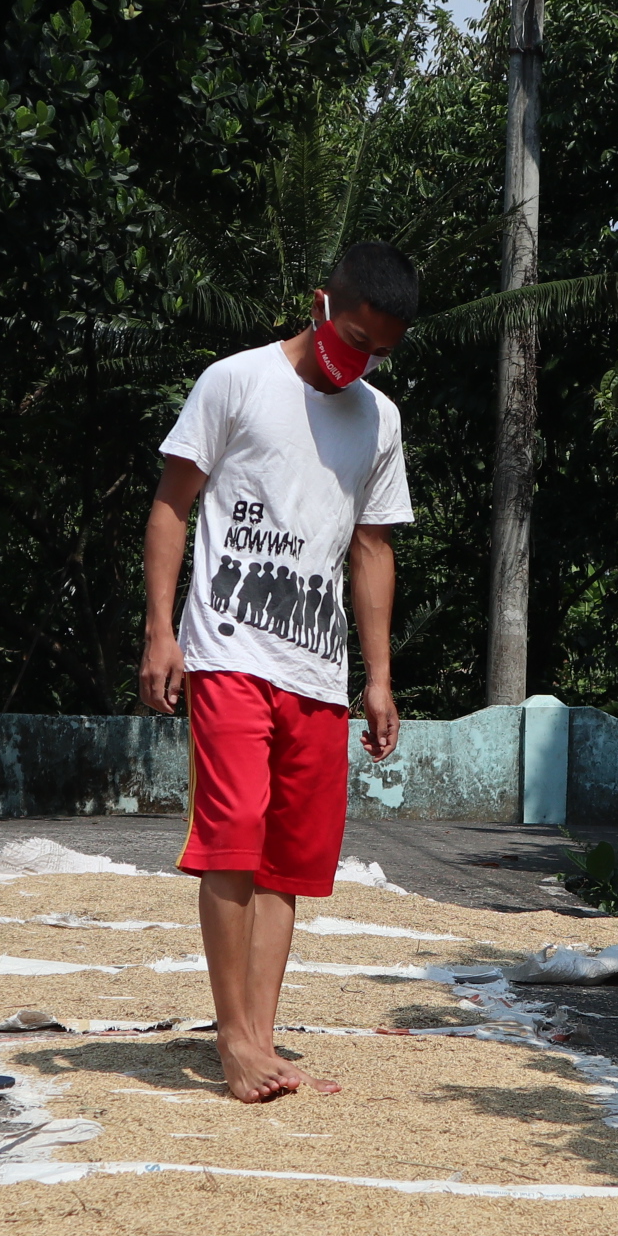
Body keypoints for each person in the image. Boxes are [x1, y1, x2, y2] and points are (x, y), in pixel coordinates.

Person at [138, 243, 415, 1102]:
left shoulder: (379, 418)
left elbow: (373, 548)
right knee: (233, 836)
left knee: (289, 863)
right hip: (227, 650)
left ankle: (261, 1035)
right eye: (354, 337)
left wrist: (378, 675)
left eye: (379, 351)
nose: (359, 360)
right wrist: (159, 630)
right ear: (320, 301)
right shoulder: (237, 381)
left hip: (317, 672)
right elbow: (171, 502)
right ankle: (234, 1042)